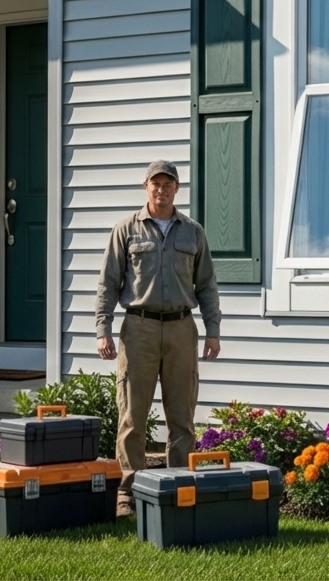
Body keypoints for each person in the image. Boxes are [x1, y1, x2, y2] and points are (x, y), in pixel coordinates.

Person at [95, 159, 221, 517]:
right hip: (139, 329)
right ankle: (127, 494)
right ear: (145, 187)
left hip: (182, 329)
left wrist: (213, 330)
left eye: (168, 184)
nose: (161, 189)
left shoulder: (193, 232)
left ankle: (178, 488)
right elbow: (107, 283)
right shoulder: (126, 230)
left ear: (177, 189)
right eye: (156, 183)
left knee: (181, 416)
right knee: (132, 415)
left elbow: (207, 284)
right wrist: (102, 328)